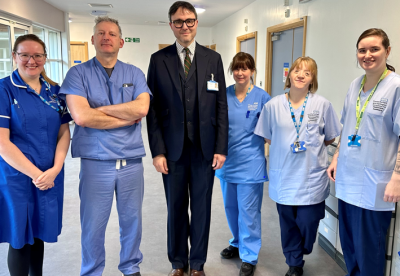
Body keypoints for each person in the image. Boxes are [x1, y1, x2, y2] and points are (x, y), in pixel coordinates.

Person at [59, 16, 151, 276]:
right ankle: (91, 271)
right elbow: (81, 117)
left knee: (132, 221)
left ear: (121, 41)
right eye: (101, 33)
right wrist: (125, 116)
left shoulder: (134, 73)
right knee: (93, 224)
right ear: (92, 40)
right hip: (96, 162)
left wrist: (99, 111)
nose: (106, 37)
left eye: (112, 33)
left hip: (131, 162)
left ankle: (130, 267)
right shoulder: (77, 74)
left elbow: (142, 108)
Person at [146, 1, 228, 275]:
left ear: (196, 23)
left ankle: (197, 264)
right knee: (176, 209)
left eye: (189, 20)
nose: (185, 26)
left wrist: (221, 148)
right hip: (172, 150)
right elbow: (153, 110)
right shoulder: (159, 60)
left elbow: (221, 107)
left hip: (205, 149)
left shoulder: (212, 59)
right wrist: (157, 151)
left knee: (202, 209)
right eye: (178, 21)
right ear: (171, 24)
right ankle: (178, 262)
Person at [255, 57, 341, 276]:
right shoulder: (273, 105)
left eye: (307, 73)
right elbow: (268, 137)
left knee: (308, 220)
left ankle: (302, 248)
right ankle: (294, 262)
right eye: (297, 71)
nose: (301, 75)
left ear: (312, 79)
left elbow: (330, 136)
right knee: (288, 223)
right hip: (284, 176)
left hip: (311, 177)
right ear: (289, 75)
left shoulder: (322, 104)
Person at [327, 28, 400, 276]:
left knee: (370, 249)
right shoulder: (355, 85)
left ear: (387, 51)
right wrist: (336, 158)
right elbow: (347, 125)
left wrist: (397, 177)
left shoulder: (396, 87)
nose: (367, 55)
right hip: (348, 178)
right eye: (362, 50)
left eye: (374, 49)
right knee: (349, 245)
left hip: (374, 184)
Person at [0, 34, 71, 276]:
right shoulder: (4, 89)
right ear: (14, 57)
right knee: (20, 237)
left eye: (37, 55)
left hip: (50, 174)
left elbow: (64, 133)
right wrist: (38, 175)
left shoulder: (55, 92)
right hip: (18, 177)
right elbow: (2, 143)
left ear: (44, 58)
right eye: (25, 55)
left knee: (39, 232)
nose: (32, 60)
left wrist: (55, 169)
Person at [215, 52, 270, 276]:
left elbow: (270, 129)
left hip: (251, 163)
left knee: (248, 211)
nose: (240, 72)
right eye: (236, 68)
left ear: (252, 71)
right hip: (227, 162)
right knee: (231, 208)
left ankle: (249, 255)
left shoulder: (262, 97)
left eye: (245, 68)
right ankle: (237, 243)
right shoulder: (223, 94)